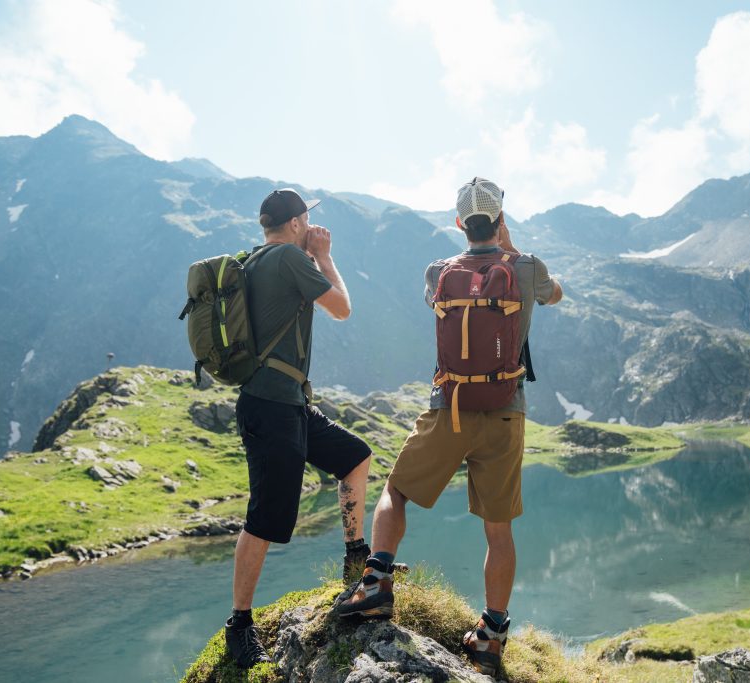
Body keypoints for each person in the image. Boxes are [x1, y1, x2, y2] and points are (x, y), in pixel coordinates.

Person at [336, 178, 563, 675]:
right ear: (501, 220)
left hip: (449, 407)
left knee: (395, 491)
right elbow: (555, 294)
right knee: (498, 532)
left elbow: (433, 305)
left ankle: (375, 584)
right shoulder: (524, 269)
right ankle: (490, 635)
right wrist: (513, 252)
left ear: (459, 223)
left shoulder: (439, 270)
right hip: (506, 413)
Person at [225, 188, 373, 668]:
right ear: (293, 223)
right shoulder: (291, 256)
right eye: (307, 217)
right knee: (265, 518)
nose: (312, 225)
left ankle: (356, 559)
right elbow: (343, 308)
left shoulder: (256, 258)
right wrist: (326, 258)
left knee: (354, 457)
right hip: (272, 407)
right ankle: (239, 626)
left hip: (286, 404)